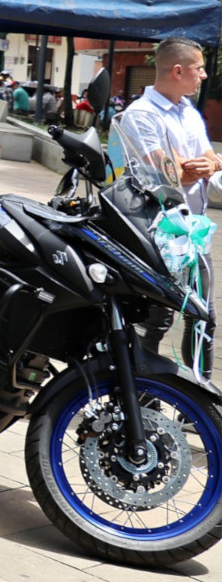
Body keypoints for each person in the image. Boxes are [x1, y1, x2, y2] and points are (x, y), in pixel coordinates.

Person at [126, 37, 218, 377]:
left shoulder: (189, 112)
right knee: (156, 318)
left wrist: (206, 165)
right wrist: (201, 166)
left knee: (203, 318)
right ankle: (140, 394)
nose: (204, 76)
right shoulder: (141, 115)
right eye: (199, 68)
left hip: (195, 230)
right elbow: (172, 175)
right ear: (177, 70)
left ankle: (200, 398)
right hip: (157, 233)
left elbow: (206, 160)